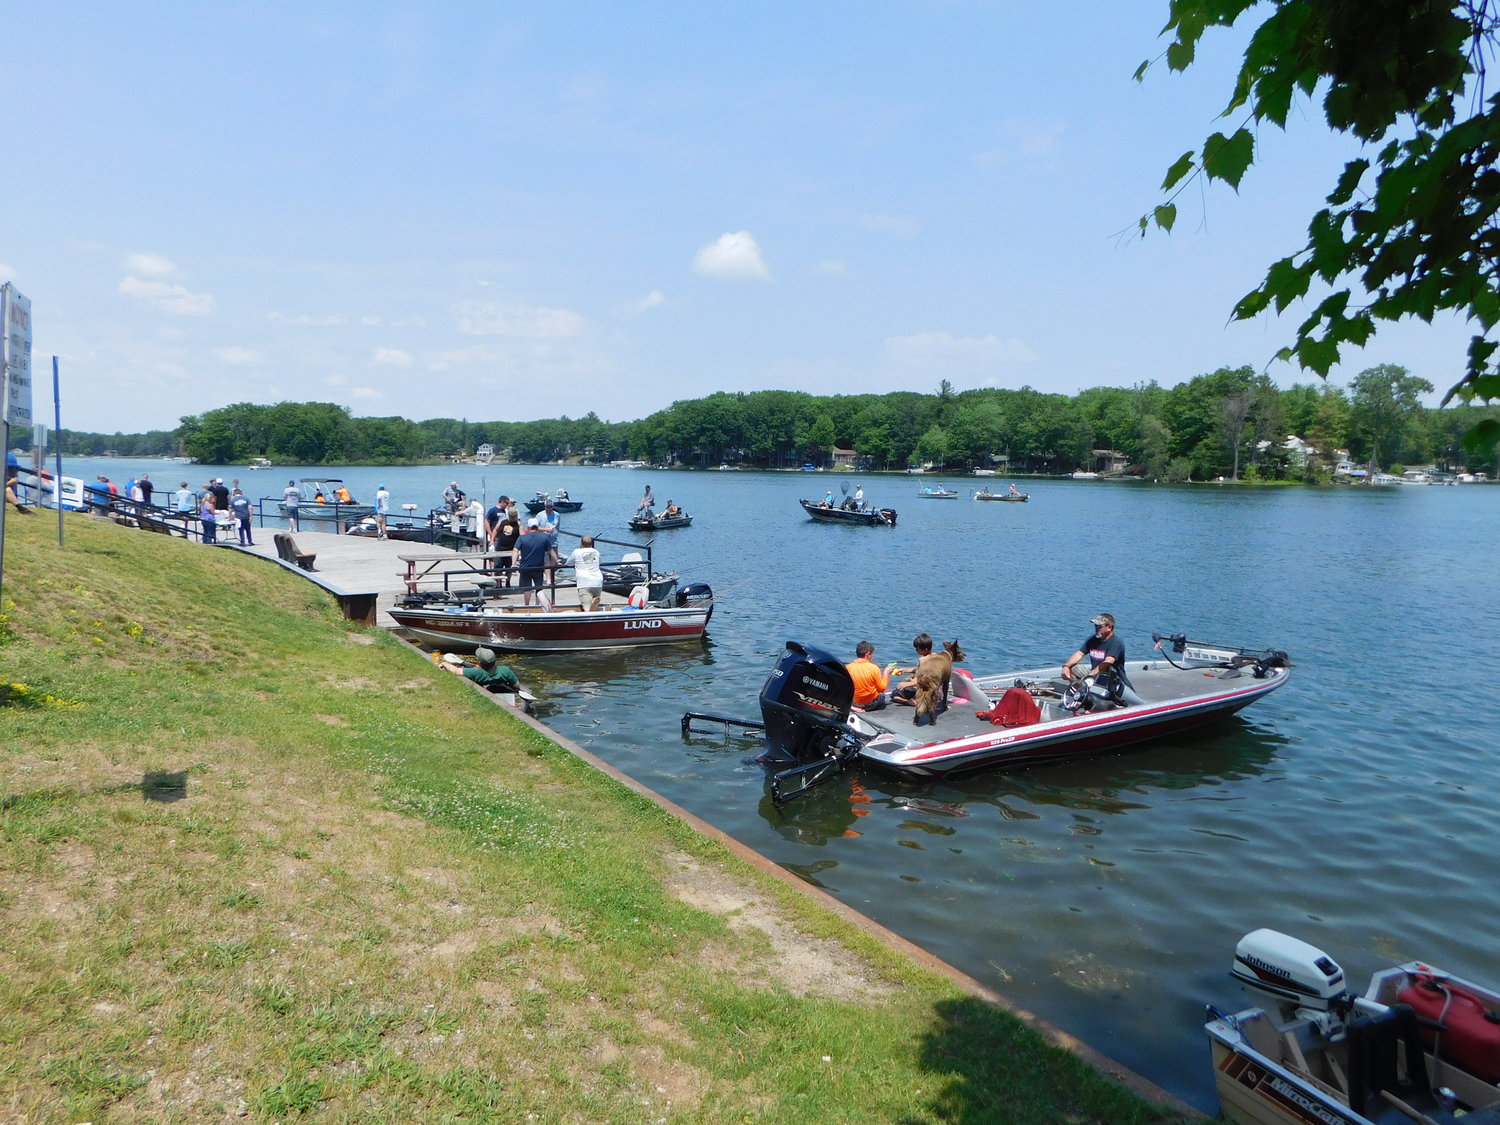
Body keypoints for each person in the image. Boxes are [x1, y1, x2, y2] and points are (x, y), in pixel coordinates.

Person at [1062, 613, 1145, 707]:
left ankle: (1098, 701)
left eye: (1099, 626)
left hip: (1113, 682)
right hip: (1095, 677)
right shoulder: (1092, 639)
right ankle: (1082, 695)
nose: (1096, 628)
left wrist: (1090, 676)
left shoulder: (1116, 643)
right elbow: (1080, 653)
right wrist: (1066, 666)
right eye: (1095, 626)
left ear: (1109, 627)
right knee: (1074, 669)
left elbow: (1108, 662)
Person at [442, 647, 520, 694]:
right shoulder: (505, 670)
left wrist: (444, 663)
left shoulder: (477, 672)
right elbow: (516, 685)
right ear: (495, 660)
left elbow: (455, 671)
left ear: (480, 662)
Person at [514, 517, 552, 606]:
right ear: (537, 527)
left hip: (525, 567)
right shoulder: (544, 537)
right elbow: (551, 551)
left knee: (527, 588)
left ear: (529, 527)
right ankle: (538, 604)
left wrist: (513, 563)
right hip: (538, 566)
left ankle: (527, 604)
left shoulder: (522, 538)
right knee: (539, 587)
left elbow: (515, 550)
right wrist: (556, 560)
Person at [846, 641, 891, 711]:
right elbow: (882, 689)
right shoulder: (874, 668)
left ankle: (854, 707)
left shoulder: (848, 667)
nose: (872, 656)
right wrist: (886, 674)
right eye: (872, 654)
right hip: (869, 703)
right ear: (868, 654)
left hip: (854, 702)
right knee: (882, 696)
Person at [564, 535, 604, 612]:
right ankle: (594, 601)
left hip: (584, 582)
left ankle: (590, 609)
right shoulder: (596, 552)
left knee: (587, 609)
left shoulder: (576, 552)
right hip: (597, 581)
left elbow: (568, 563)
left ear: (581, 543)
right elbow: (600, 562)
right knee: (594, 608)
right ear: (591, 544)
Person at [492, 507, 520, 586]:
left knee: (509, 567)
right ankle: (498, 583)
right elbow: (495, 530)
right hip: (500, 548)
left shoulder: (518, 524)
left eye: (514, 516)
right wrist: (492, 540)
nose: (513, 517)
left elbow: (522, 536)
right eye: (511, 516)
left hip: (511, 549)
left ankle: (508, 582)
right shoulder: (502, 521)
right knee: (498, 566)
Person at [535, 498, 561, 565]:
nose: (549, 509)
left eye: (550, 507)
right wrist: (546, 530)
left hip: (553, 541)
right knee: (545, 561)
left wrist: (555, 533)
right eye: (547, 507)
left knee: (554, 562)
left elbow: (557, 527)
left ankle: (552, 573)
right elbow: (535, 528)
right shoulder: (539, 515)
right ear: (545, 507)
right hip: (542, 541)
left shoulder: (557, 515)